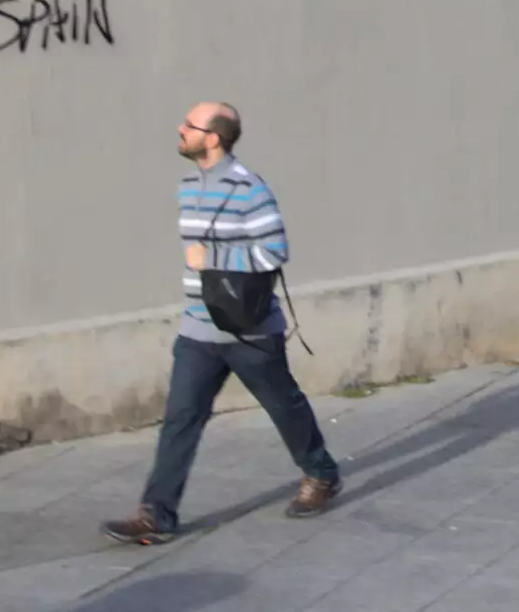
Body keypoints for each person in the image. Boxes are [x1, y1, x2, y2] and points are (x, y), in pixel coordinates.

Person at [102, 101, 342, 544]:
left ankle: (321, 472)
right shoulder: (187, 186)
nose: (180, 128)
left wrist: (212, 258)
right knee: (181, 419)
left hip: (249, 330)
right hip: (197, 327)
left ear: (213, 137)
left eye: (189, 125)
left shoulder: (250, 189)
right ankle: (156, 514)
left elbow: (275, 252)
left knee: (283, 406)